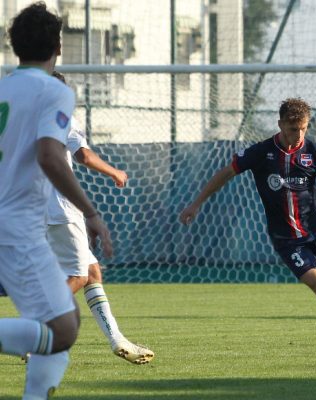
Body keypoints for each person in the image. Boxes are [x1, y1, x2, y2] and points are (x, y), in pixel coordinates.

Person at [180, 98, 316, 328]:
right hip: (286, 239)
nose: (299, 135)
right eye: (293, 129)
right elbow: (226, 173)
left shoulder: (314, 151)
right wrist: (196, 203)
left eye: (304, 129)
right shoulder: (261, 152)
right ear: (280, 124)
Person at [0, 2, 112, 399]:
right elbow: (51, 156)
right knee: (62, 328)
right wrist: (92, 212)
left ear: (14, 46)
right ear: (58, 47)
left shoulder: (3, 89)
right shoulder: (54, 91)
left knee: (55, 329)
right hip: (17, 227)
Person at [46, 72, 155, 365]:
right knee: (80, 275)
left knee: (92, 271)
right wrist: (115, 172)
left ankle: (117, 339)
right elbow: (84, 156)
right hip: (59, 209)